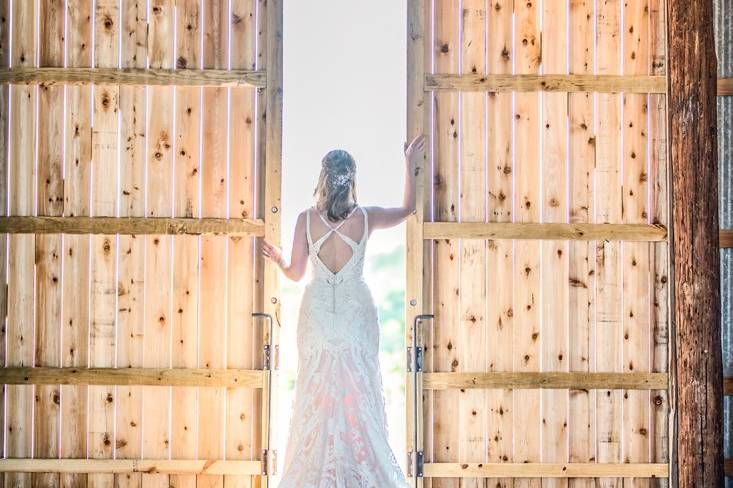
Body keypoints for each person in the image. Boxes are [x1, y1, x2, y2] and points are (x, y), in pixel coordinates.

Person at [261, 134, 426, 487]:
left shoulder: (305, 220)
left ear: (323, 178)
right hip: (355, 314)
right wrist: (409, 165)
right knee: (358, 392)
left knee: (316, 392)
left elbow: (295, 274)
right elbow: (408, 209)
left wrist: (277, 259)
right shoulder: (366, 218)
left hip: (318, 313)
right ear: (351, 179)